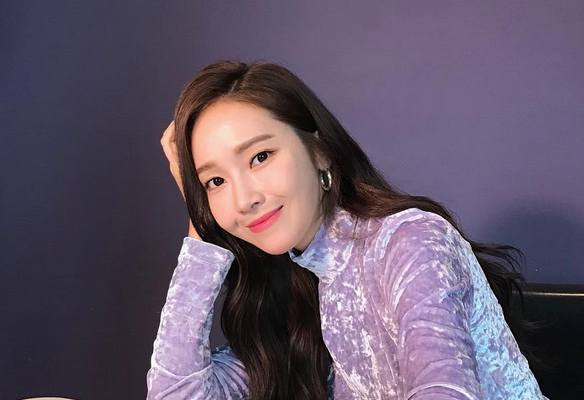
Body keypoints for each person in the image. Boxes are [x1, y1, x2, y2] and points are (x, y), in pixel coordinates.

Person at [147, 60, 549, 399]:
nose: (243, 199)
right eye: (215, 181)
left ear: (319, 151)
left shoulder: (410, 241)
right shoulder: (293, 283)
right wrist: (202, 225)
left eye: (260, 156)